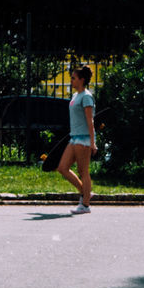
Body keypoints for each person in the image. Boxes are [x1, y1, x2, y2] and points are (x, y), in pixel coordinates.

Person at [58, 65, 96, 215]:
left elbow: (90, 121)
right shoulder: (75, 96)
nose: (71, 80)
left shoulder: (86, 96)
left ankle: (85, 205)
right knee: (62, 168)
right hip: (74, 137)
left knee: (83, 171)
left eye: (74, 78)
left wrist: (93, 143)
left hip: (84, 139)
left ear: (82, 80)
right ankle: (86, 193)